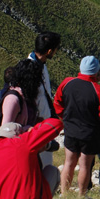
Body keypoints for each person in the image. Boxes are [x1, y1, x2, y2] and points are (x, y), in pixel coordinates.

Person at [54, 56, 100, 196]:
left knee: (69, 162)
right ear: (96, 72)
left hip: (70, 130)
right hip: (90, 134)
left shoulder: (67, 83)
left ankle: (64, 193)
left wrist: (65, 120)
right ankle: (82, 195)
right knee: (85, 166)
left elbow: (58, 104)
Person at [0, 119, 63, 199]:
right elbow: (56, 123)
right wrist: (33, 129)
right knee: (52, 171)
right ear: (20, 134)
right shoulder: (23, 142)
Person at [29, 31, 61, 167]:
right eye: (55, 49)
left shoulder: (42, 65)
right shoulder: (30, 69)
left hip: (44, 123)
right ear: (49, 51)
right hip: (35, 125)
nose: (55, 52)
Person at [1, 59, 43, 129]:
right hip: (18, 139)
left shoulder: (27, 96)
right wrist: (28, 129)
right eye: (36, 81)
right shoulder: (12, 100)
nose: (38, 85)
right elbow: (6, 130)